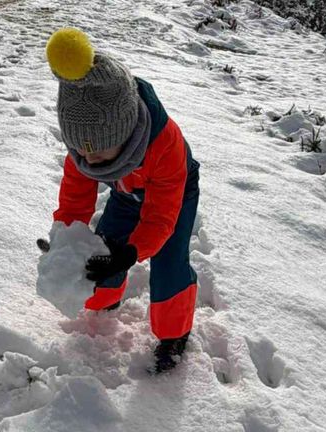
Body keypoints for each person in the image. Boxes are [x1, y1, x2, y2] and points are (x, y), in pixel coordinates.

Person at [45, 28, 200, 374]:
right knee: (102, 248)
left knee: (169, 262)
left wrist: (132, 252)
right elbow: (74, 200)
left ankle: (175, 334)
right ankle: (104, 300)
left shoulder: (164, 144)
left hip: (173, 193)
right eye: (81, 154)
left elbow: (160, 218)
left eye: (99, 153)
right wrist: (65, 239)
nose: (90, 161)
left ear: (124, 133)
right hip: (127, 192)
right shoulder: (87, 150)